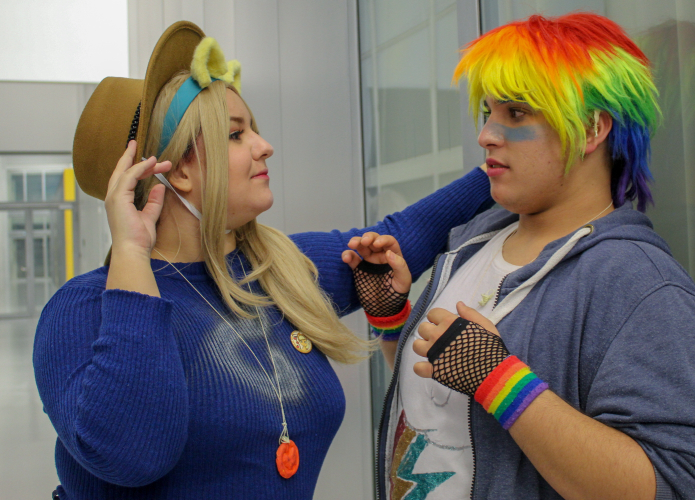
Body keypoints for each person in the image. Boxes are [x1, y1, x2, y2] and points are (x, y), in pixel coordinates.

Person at [32, 21, 494, 499]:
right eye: (236, 134)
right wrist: (131, 252)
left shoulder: (279, 268)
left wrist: (498, 170)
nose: (264, 145)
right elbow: (133, 454)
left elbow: (402, 235)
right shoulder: (82, 310)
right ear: (179, 169)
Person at [359, 13, 695, 500]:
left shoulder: (642, 285)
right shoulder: (471, 243)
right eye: (487, 112)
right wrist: (392, 321)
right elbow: (436, 407)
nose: (487, 135)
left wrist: (499, 380)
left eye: (516, 114)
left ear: (591, 129)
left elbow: (678, 486)